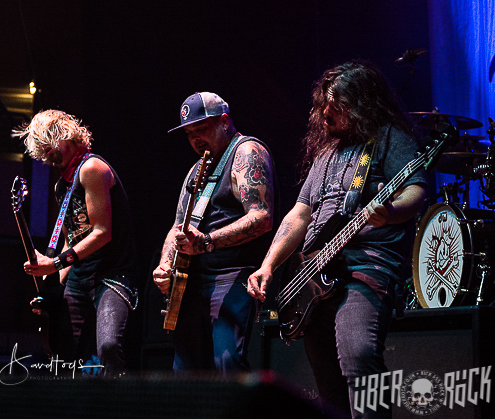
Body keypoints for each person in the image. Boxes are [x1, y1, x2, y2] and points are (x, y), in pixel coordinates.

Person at [247, 61, 427, 418]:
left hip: (365, 267)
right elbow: (300, 214)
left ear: (362, 104)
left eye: (337, 105)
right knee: (329, 387)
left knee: (359, 356)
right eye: (323, 104)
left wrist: (390, 211)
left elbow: (417, 190)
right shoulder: (326, 153)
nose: (325, 112)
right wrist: (268, 265)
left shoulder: (390, 139)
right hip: (314, 277)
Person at [153, 92, 277, 372]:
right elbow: (177, 225)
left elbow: (261, 216)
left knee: (226, 366)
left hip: (231, 276)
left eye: (201, 129)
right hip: (191, 283)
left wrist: (208, 242)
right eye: (189, 134)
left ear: (224, 121)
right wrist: (164, 266)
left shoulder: (246, 151)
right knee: (187, 372)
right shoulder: (197, 169)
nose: (195, 139)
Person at [13, 109, 139, 377]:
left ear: (65, 135)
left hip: (112, 275)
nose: (46, 154)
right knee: (62, 353)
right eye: (41, 149)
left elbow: (102, 232)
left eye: (48, 144)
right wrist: (53, 287)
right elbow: (72, 239)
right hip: (79, 277)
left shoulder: (93, 168)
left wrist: (56, 262)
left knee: (108, 347)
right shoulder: (63, 185)